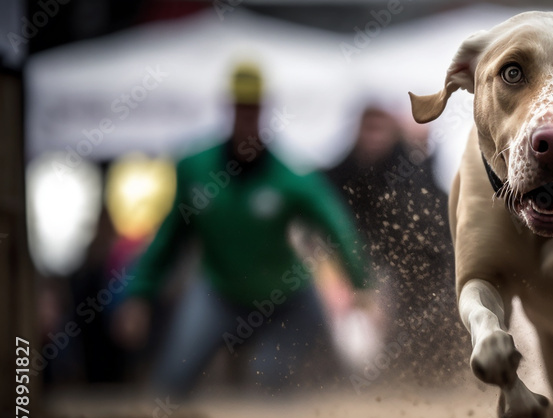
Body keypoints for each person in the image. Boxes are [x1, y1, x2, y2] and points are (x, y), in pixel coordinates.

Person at [113, 62, 372, 398]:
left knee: (269, 377)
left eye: (254, 108)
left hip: (286, 298)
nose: (247, 117)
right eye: (241, 108)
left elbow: (338, 227)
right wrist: (139, 294)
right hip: (218, 292)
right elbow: (168, 238)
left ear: (264, 111)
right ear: (229, 109)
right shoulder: (194, 169)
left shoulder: (292, 177)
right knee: (170, 382)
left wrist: (361, 286)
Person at [327, 106, 464, 379]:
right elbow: (321, 233)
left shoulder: (411, 172)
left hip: (414, 274)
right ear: (357, 131)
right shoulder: (339, 175)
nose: (374, 138)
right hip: (358, 273)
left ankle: (434, 370)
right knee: (357, 339)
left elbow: (435, 230)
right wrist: (344, 286)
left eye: (381, 130)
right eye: (369, 129)